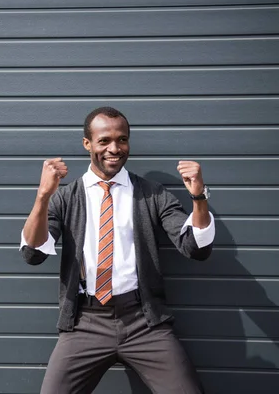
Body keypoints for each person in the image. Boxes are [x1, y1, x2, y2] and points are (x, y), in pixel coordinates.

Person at [20, 106, 215, 393]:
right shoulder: (66, 197)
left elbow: (195, 247)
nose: (115, 148)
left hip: (143, 321)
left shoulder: (152, 193)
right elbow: (33, 253)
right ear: (87, 144)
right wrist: (43, 196)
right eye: (104, 141)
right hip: (85, 322)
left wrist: (198, 197)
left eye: (122, 140)